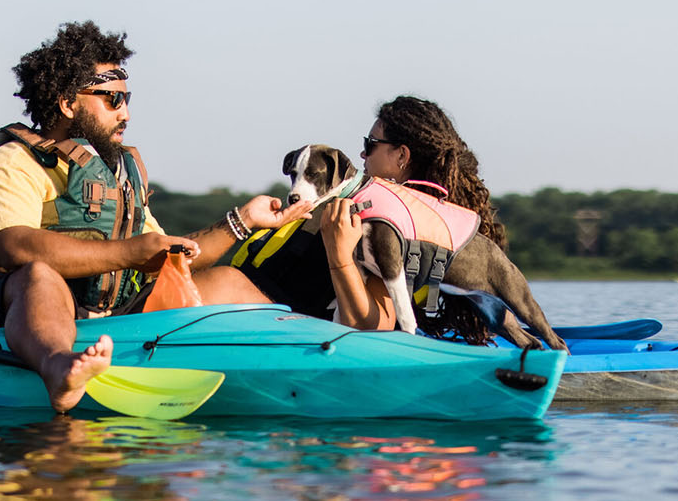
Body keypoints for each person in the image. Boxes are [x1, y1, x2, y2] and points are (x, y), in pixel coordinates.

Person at [0, 21, 309, 412]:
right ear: (68, 103)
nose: (127, 113)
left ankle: (315, 352)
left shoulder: (117, 175)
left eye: (127, 98)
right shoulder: (12, 163)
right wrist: (131, 252)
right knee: (38, 275)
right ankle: (58, 369)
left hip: (112, 310)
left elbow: (165, 259)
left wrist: (242, 220)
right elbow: (13, 246)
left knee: (228, 280)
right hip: (12, 307)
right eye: (112, 99)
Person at [191, 95, 518, 345]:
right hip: (210, 315)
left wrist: (340, 256)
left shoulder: (395, 228)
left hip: (262, 334)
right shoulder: (346, 203)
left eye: (370, 145)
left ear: (401, 156)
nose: (362, 155)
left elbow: (371, 325)